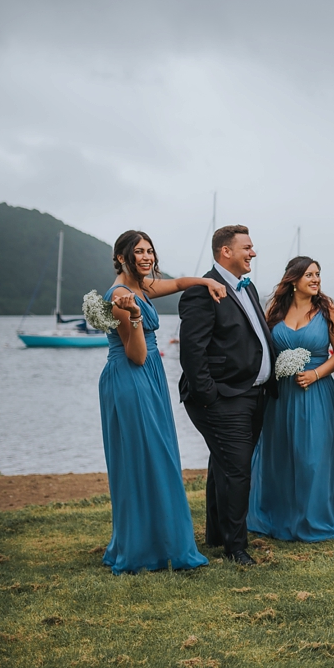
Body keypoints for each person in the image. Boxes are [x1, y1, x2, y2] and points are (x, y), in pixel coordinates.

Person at [98, 230, 226, 574]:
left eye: (150, 251)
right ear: (122, 257)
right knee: (148, 459)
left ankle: (155, 539)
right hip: (132, 380)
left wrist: (206, 282)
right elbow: (137, 355)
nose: (147, 257)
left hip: (148, 379)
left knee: (157, 456)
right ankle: (144, 548)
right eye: (139, 252)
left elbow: (180, 283)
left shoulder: (142, 287)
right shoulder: (121, 297)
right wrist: (136, 317)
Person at [179, 225, 278, 566]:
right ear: (226, 252)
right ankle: (237, 548)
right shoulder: (202, 291)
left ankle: (218, 534)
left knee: (225, 466)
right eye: (247, 247)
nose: (253, 253)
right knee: (237, 469)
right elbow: (193, 351)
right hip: (224, 396)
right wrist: (209, 396)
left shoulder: (247, 289)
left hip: (253, 394)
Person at [248, 256, 334, 542]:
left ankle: (315, 518)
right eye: (309, 274)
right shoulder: (275, 313)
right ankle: (280, 516)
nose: (316, 279)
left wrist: (316, 374)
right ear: (293, 280)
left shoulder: (329, 312)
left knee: (313, 458)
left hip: (316, 393)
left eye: (318, 274)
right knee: (282, 455)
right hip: (281, 397)